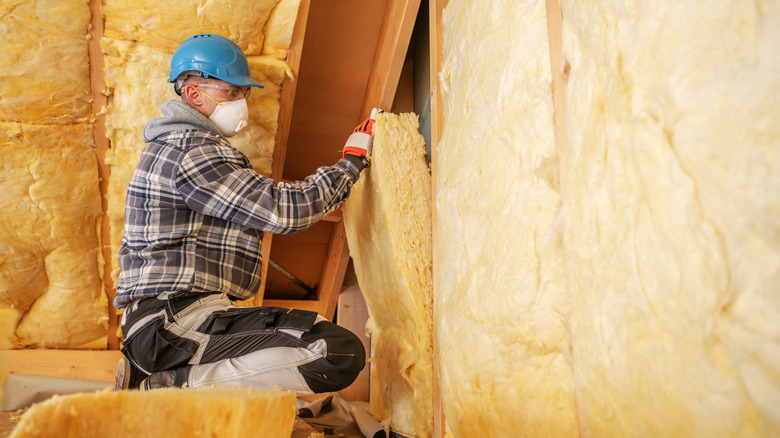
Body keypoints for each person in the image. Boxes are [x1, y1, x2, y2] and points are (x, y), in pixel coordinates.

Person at [113, 34, 375, 394]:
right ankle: (167, 385)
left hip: (171, 321)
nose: (242, 102)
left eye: (243, 93)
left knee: (286, 366)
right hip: (173, 324)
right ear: (193, 94)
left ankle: (174, 385)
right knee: (334, 351)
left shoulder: (184, 148)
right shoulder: (191, 150)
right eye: (231, 92)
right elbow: (283, 211)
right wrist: (351, 163)